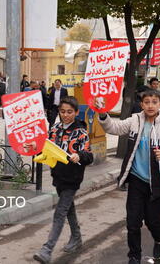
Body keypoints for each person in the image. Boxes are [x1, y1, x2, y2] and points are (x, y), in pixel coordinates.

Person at [97, 89, 160, 264]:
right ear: (141, 104)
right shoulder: (135, 120)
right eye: (146, 102)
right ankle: (134, 256)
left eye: (154, 102)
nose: (150, 105)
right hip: (136, 180)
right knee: (133, 222)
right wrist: (103, 114)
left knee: (152, 221)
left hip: (156, 182)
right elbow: (114, 128)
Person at [33, 96, 93, 264]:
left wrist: (78, 155)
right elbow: (46, 146)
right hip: (58, 175)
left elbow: (89, 155)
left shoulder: (81, 132)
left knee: (60, 212)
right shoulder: (55, 127)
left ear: (75, 112)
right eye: (62, 112)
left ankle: (47, 249)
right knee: (69, 208)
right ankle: (77, 237)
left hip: (72, 179)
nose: (65, 115)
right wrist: (34, 148)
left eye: (69, 112)